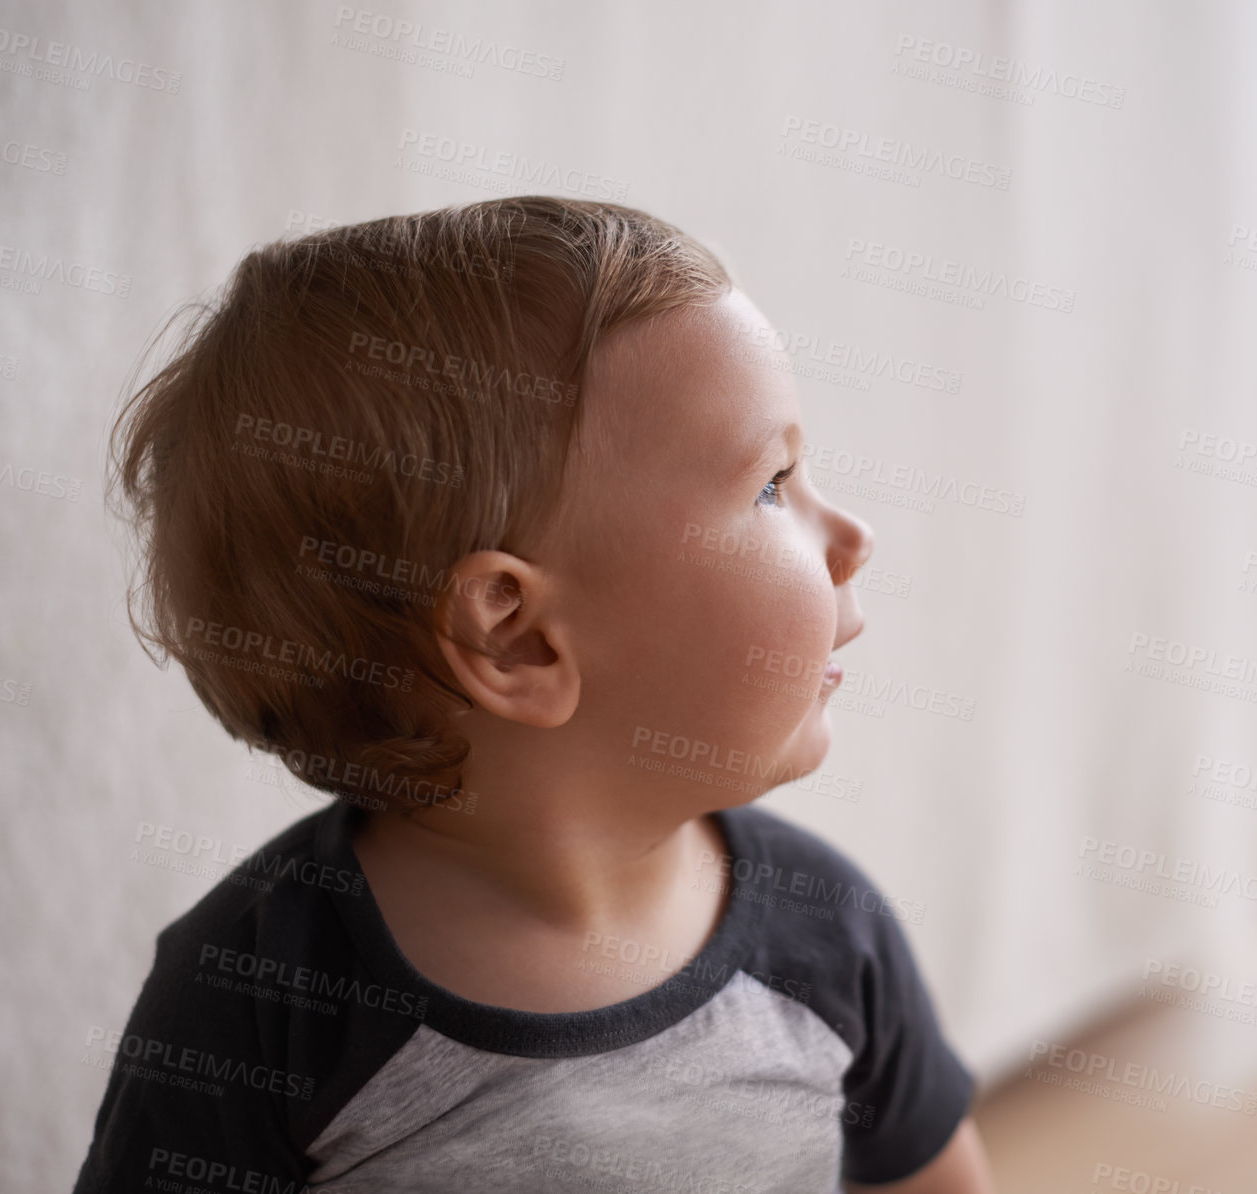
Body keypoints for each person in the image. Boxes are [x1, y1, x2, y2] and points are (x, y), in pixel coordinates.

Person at [76, 196, 992, 1193]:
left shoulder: (826, 932)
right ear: (515, 638)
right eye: (772, 484)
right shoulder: (254, 1000)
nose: (853, 534)